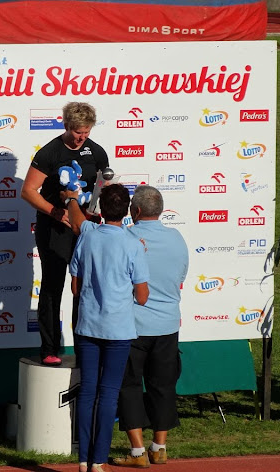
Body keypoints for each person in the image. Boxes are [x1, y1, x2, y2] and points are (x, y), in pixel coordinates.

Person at [68, 184, 149, 472]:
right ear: (128, 211)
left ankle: (82, 460)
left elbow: (75, 287)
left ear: (100, 209)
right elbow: (142, 295)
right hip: (117, 329)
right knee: (109, 393)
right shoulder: (133, 244)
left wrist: (72, 199)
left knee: (88, 391)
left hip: (88, 325)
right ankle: (98, 461)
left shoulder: (88, 238)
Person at [21, 102, 109, 366]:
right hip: (54, 227)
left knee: (83, 287)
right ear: (66, 125)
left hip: (85, 227)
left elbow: (102, 185)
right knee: (53, 285)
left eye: (86, 132)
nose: (81, 137)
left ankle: (85, 346)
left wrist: (94, 211)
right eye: (76, 132)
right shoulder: (50, 152)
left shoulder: (97, 152)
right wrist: (54, 212)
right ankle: (49, 348)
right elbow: (27, 191)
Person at [111, 185, 189, 467]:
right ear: (162, 210)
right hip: (167, 324)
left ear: (137, 211)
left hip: (132, 325)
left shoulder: (124, 236)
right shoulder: (177, 238)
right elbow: (181, 275)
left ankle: (137, 452)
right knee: (164, 386)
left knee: (128, 385)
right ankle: (160, 447)